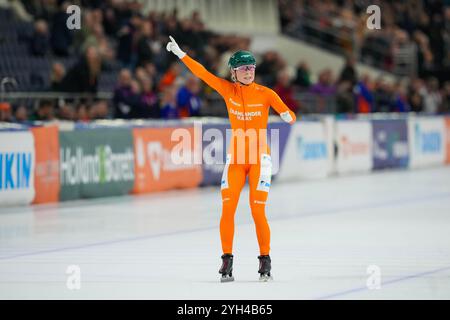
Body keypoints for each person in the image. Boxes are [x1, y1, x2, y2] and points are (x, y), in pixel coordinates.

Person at [166, 36, 297, 282]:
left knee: (258, 211)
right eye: (243, 68)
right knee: (228, 210)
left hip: (260, 160)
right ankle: (227, 260)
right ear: (234, 73)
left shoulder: (266, 93)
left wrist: (289, 116)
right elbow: (203, 73)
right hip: (236, 160)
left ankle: (265, 260)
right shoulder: (227, 90)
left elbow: (288, 112)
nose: (248, 72)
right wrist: (181, 55)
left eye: (251, 68)